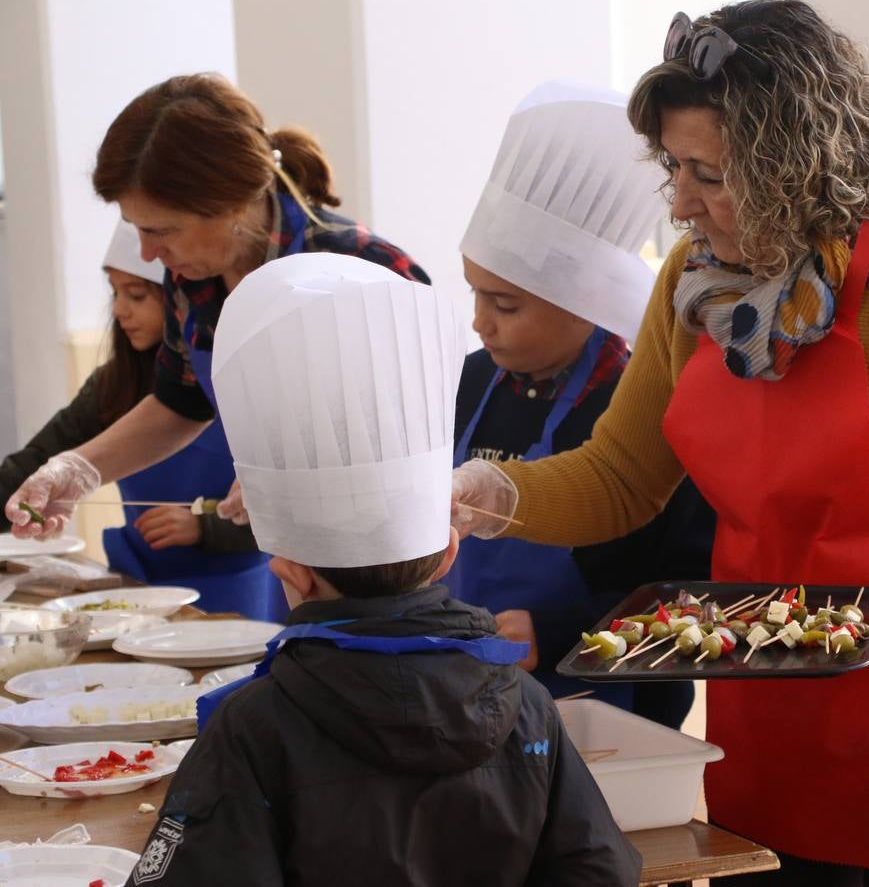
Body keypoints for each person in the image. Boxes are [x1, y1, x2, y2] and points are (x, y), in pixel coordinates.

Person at [451, 0, 869, 885]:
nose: (680, 203)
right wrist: (494, 494)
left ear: (798, 166)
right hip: (772, 701)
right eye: (673, 168)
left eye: (710, 175)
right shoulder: (693, 285)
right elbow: (621, 476)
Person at [130, 253, 639, 887]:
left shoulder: (253, 723)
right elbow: (599, 869)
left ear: (291, 572)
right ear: (450, 552)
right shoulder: (527, 706)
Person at [4, 73, 430, 587]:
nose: (147, 253)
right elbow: (180, 402)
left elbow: (419, 435)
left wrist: (306, 472)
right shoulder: (191, 281)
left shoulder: (364, 269)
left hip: (379, 571)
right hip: (286, 565)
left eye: (159, 230)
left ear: (230, 204)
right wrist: (80, 468)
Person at [453, 81, 715, 728]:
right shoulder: (467, 383)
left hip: (610, 720)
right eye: (475, 296)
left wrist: (562, 629)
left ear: (582, 299)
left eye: (505, 305)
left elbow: (691, 596)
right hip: (468, 705)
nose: (480, 323)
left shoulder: (635, 406)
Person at [0, 221, 278, 616]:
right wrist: (36, 489)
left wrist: (206, 527)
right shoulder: (114, 385)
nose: (119, 310)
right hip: (138, 584)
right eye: (115, 293)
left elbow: (285, 501)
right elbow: (36, 463)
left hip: (236, 588)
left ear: (181, 301)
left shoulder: (238, 380)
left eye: (136, 295)